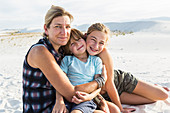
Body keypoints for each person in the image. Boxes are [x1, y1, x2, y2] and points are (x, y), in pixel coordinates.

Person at [22, 6, 106, 113]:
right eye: (58, 26)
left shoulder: (62, 50)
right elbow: (72, 93)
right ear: (46, 29)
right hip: (46, 109)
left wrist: (95, 96)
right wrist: (100, 81)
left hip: (64, 105)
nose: (64, 32)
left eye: (67, 27)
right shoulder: (40, 52)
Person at [71, 23, 169, 112]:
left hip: (120, 82)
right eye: (93, 39)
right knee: (151, 99)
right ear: (86, 36)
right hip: (107, 94)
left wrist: (120, 109)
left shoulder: (103, 53)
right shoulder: (77, 50)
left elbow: (110, 83)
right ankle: (150, 88)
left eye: (101, 43)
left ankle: (155, 87)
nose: (96, 46)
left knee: (163, 95)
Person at [59, 28, 121, 113]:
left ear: (84, 39)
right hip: (70, 97)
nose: (78, 44)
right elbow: (59, 83)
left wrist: (89, 97)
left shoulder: (96, 61)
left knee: (115, 110)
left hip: (87, 98)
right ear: (69, 49)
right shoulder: (67, 60)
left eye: (78, 39)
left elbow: (98, 86)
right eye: (72, 44)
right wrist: (59, 101)